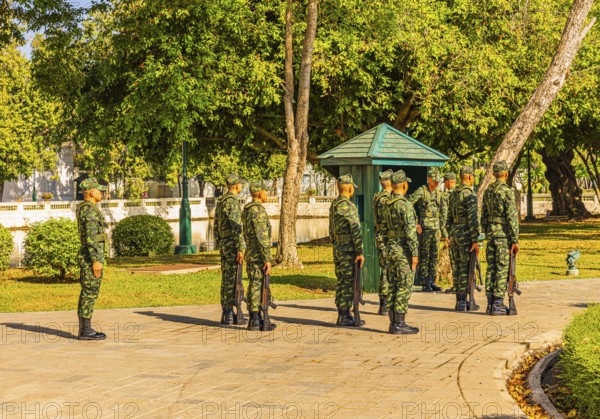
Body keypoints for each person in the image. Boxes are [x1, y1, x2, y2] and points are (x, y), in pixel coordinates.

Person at [481, 161, 520, 315]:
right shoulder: (507, 191)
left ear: (494, 174)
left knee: (491, 267)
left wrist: (486, 231)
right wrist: (514, 239)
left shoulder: (488, 191)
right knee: (502, 268)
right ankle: (498, 303)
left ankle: (490, 303)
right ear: (506, 173)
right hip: (503, 234)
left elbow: (483, 215)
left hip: (491, 233)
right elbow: (511, 217)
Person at [384, 170, 419, 334]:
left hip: (390, 249)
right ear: (404, 185)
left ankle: (393, 321)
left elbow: (382, 229)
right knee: (404, 285)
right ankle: (400, 323)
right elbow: (411, 233)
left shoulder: (387, 204)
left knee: (393, 285)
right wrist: (414, 254)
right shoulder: (405, 205)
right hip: (402, 251)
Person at [329, 174, 365, 327]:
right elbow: (355, 230)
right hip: (348, 249)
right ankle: (345, 315)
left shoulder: (334, 205)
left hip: (338, 248)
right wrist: (359, 251)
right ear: (350, 187)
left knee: (342, 281)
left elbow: (331, 229)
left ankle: (342, 313)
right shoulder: (348, 206)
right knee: (349, 281)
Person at [76, 178, 109, 340]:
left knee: (89, 292)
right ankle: (85, 331)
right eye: (99, 190)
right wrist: (96, 260)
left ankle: (85, 329)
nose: (102, 193)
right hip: (90, 259)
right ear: (91, 192)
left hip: (90, 257)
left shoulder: (87, 209)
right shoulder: (89, 211)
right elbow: (90, 238)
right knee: (89, 292)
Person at [446, 166, 481, 311]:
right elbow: (473, 219)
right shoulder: (469, 195)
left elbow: (448, 218)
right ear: (470, 177)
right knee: (467, 268)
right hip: (466, 234)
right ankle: (465, 300)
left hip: (455, 233)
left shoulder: (453, 193)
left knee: (457, 267)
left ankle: (460, 300)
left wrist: (451, 233)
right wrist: (475, 239)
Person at [242, 181, 274, 330]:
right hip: (258, 254)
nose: (268, 194)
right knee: (257, 284)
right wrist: (267, 258)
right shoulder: (257, 210)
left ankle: (256, 318)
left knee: (254, 284)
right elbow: (263, 237)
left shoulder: (247, 209)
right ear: (261, 193)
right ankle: (255, 319)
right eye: (266, 192)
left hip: (251, 252)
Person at [215, 173, 246, 325]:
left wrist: (219, 242)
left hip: (224, 243)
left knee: (227, 276)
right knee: (232, 277)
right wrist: (240, 247)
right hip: (231, 244)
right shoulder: (232, 202)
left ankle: (227, 311)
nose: (242, 186)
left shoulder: (221, 201)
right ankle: (228, 311)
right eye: (240, 183)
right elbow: (236, 227)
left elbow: (216, 225)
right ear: (236, 185)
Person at [408, 169, 443, 292]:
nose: (437, 183)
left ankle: (431, 280)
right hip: (425, 228)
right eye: (434, 181)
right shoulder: (421, 191)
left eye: (438, 181)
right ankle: (424, 281)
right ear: (429, 179)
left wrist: (443, 228)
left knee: (434, 255)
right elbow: (409, 204)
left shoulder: (439, 192)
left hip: (436, 228)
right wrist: (416, 222)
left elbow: (443, 211)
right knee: (425, 255)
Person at [373, 169, 394, 315]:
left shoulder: (379, 197)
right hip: (385, 238)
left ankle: (385, 302)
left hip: (382, 237)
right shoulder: (385, 199)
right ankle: (385, 303)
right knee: (387, 270)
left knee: (386, 269)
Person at [440, 172, 457, 294]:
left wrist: (446, 235)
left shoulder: (446, 196)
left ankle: (457, 285)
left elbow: (445, 217)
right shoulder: (463, 194)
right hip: (464, 232)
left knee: (455, 261)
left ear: (447, 182)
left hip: (452, 232)